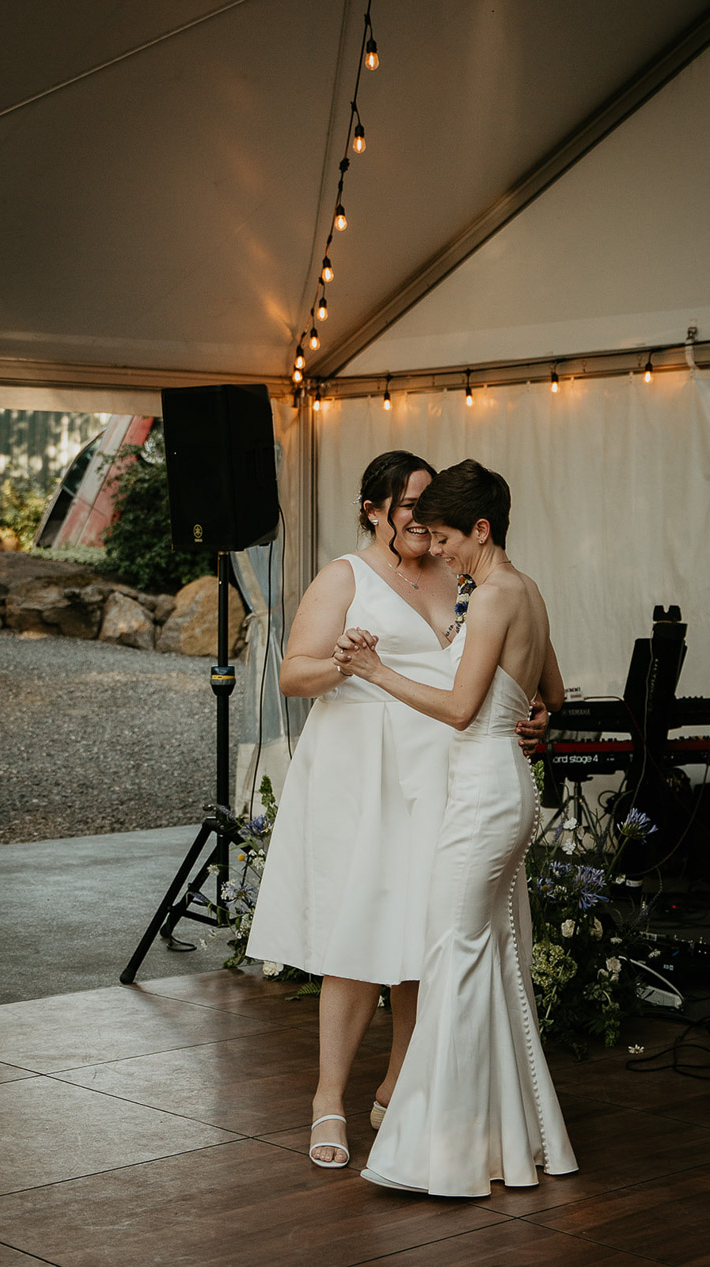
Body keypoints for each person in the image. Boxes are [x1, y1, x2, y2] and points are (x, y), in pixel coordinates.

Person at [246, 451, 549, 1169]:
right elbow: (294, 673)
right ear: (373, 509)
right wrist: (346, 664)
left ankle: (395, 1090)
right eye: (407, 503)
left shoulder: (463, 573)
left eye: (427, 503)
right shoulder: (343, 576)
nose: (418, 517)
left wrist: (529, 714)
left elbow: (502, 669)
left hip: (444, 771)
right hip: (365, 775)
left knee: (424, 939)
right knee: (356, 941)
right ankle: (328, 1099)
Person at [335, 458, 578, 1197]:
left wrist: (376, 671)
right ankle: (504, 1139)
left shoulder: (497, 592)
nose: (435, 549)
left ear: (479, 528)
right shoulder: (521, 588)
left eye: (443, 536)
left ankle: (445, 1146)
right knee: (487, 962)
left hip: (480, 795)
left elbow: (460, 708)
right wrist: (532, 717)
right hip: (502, 786)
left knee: (456, 961)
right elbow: (554, 695)